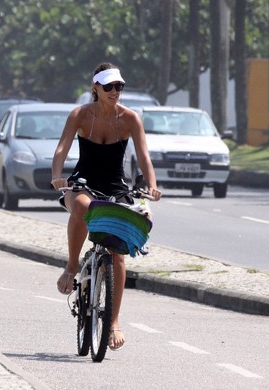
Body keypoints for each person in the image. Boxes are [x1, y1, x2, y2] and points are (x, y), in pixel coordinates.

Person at [51, 62, 162, 351]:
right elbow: (62, 147)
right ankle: (72, 265)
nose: (115, 92)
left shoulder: (129, 119)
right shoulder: (80, 114)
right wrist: (56, 176)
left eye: (119, 87)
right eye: (109, 87)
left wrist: (151, 184)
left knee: (119, 251)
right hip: (83, 181)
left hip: (116, 186)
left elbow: (144, 157)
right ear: (96, 88)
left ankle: (113, 322)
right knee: (84, 208)